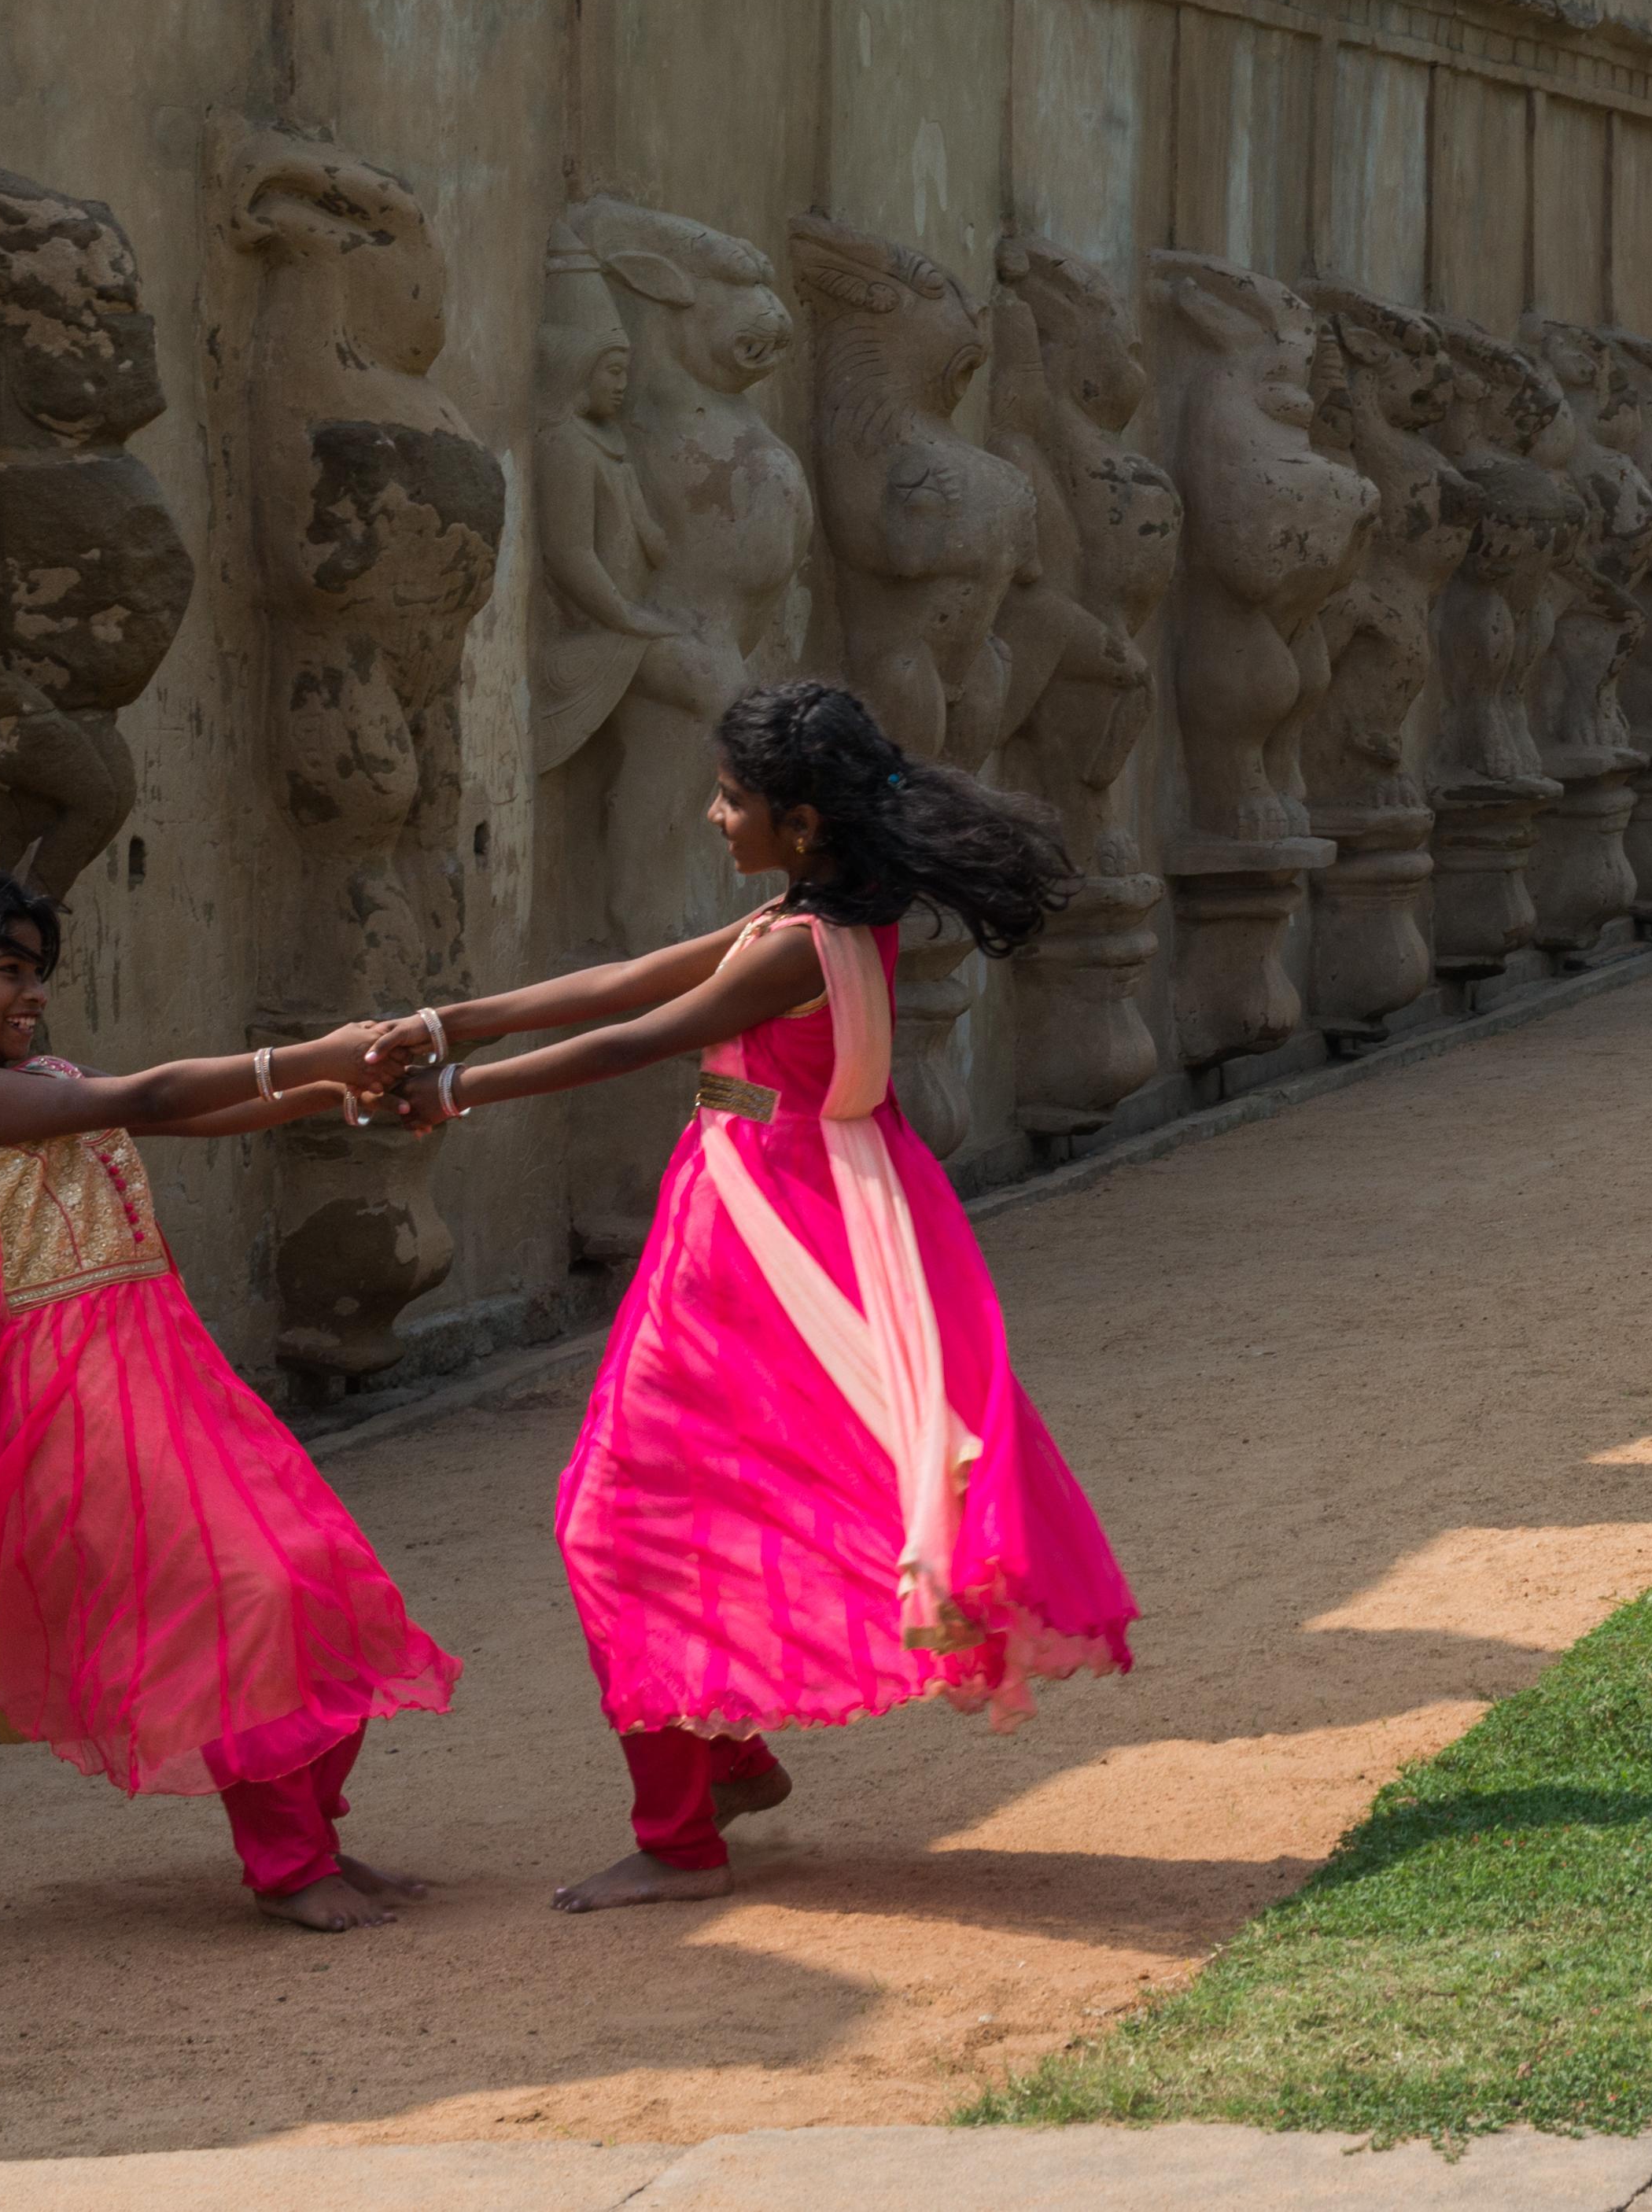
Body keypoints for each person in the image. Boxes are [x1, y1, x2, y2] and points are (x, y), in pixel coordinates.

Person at [363, 680, 1135, 1912]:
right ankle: (719, 1768)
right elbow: (619, 986)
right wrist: (442, 1022)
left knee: (612, 1517)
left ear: (805, 822)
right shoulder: (813, 917)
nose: (715, 817)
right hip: (755, 1210)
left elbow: (640, 1033)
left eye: (734, 799)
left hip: (768, 1229)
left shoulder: (792, 948)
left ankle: (685, 1828)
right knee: (659, 1501)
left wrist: (455, 1088)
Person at [0, 871, 456, 1931]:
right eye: (6, 972)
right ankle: (290, 1866)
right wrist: (322, 1054)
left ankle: (317, 1841)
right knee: (247, 1597)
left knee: (315, 1577)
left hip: (164, 1359)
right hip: (78, 1390)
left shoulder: (45, 1075)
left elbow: (196, 1114)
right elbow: (151, 1097)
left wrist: (338, 1092)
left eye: (37, 974)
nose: (32, 995)